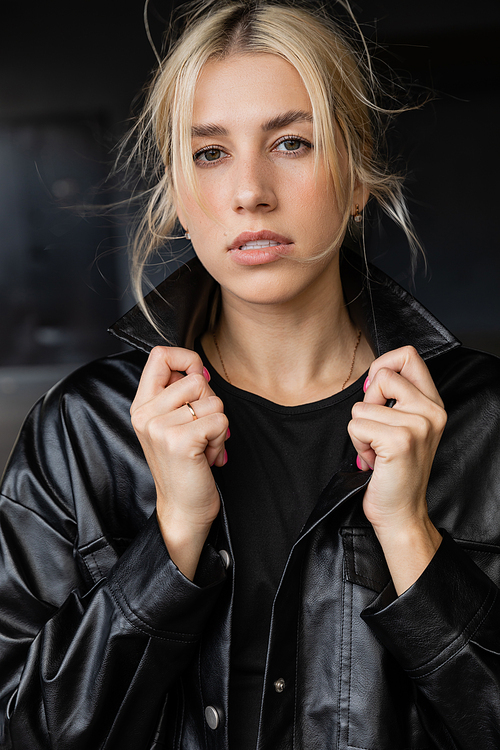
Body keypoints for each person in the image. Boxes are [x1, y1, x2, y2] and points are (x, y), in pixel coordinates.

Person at [1, 1, 500, 748]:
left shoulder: (486, 418)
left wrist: (407, 533)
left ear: (358, 174)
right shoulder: (81, 430)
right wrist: (170, 537)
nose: (249, 192)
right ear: (177, 191)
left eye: (292, 142)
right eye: (211, 153)